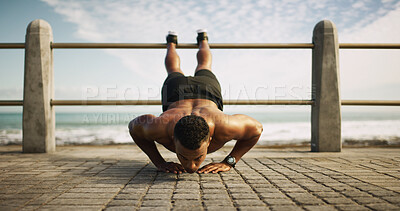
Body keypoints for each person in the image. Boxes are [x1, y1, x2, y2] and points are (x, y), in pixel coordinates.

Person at [129, 30, 263, 174]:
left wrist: (229, 161)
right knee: (200, 66)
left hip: (184, 93)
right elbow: (133, 128)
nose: (191, 167)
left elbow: (257, 130)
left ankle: (195, 40)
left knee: (185, 68)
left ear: (210, 139)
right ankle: (175, 43)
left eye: (198, 158)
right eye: (183, 157)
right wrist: (159, 163)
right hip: (203, 91)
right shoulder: (159, 128)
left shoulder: (224, 127)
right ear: (173, 139)